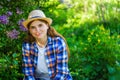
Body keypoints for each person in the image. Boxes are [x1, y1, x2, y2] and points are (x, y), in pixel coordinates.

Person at [22, 10, 73, 80]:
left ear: (47, 25)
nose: (37, 30)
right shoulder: (27, 46)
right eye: (33, 27)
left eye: (40, 25)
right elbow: (28, 73)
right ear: (29, 30)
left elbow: (62, 73)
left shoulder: (58, 43)